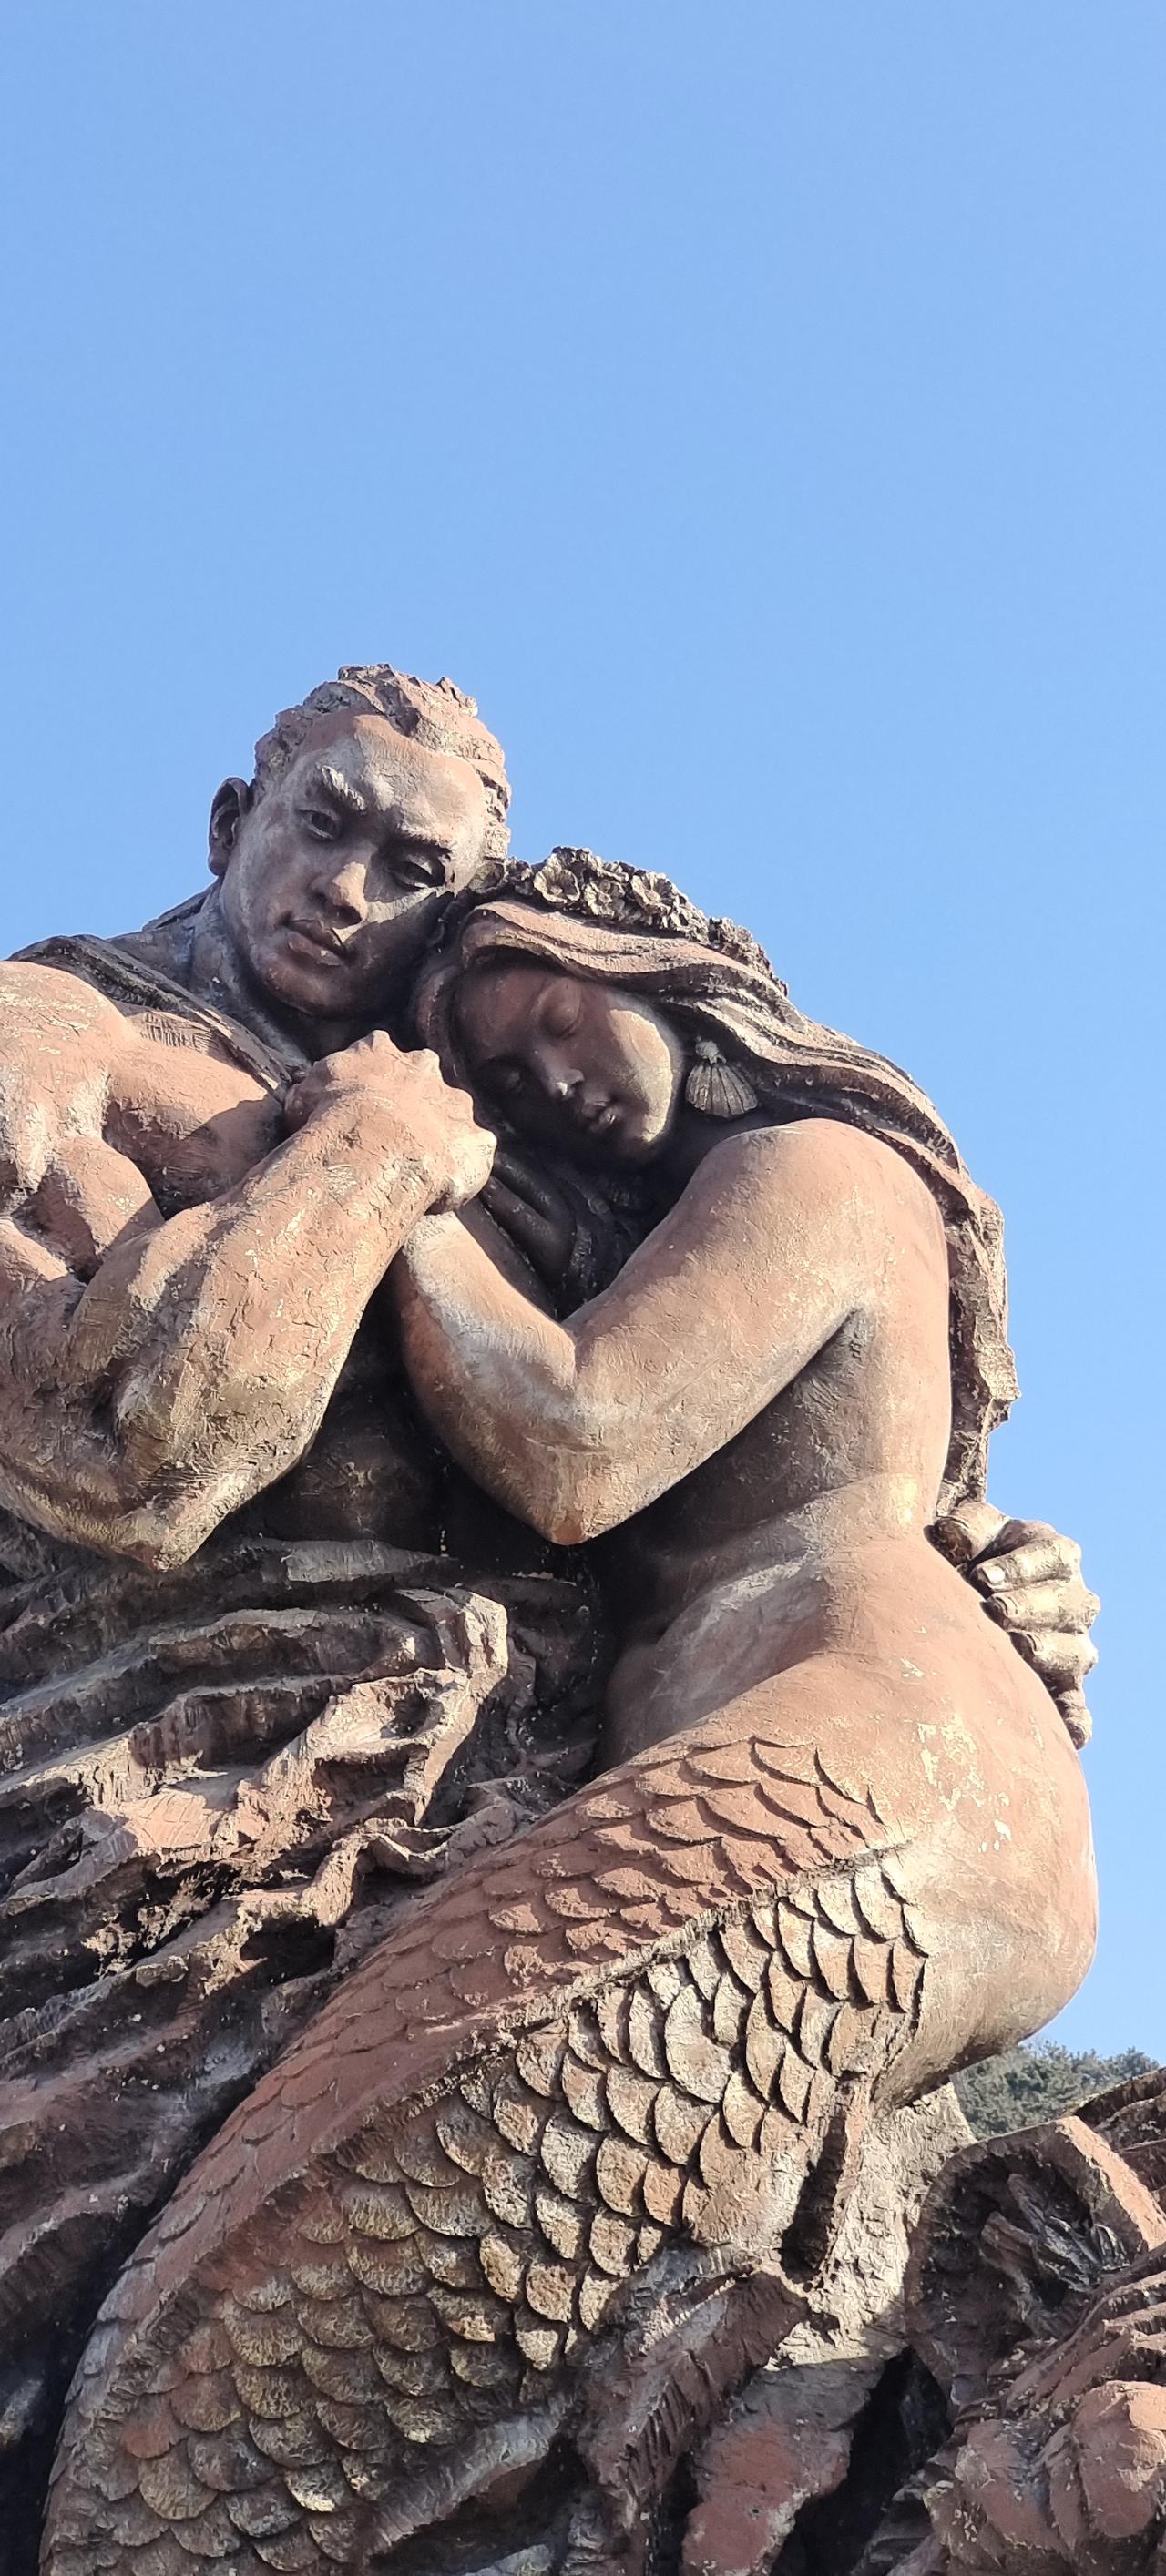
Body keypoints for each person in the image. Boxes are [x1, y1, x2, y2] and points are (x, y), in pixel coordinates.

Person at [45, 854, 1099, 2576]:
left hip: (872, 1769)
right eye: (499, 1067)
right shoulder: (658, 1225)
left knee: (251, 2323)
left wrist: (388, 1161)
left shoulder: (815, 1163)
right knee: (283, 2300)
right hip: (815, 1768)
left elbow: (578, 1441)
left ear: (667, 976)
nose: (541, 1076)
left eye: (546, 1008)